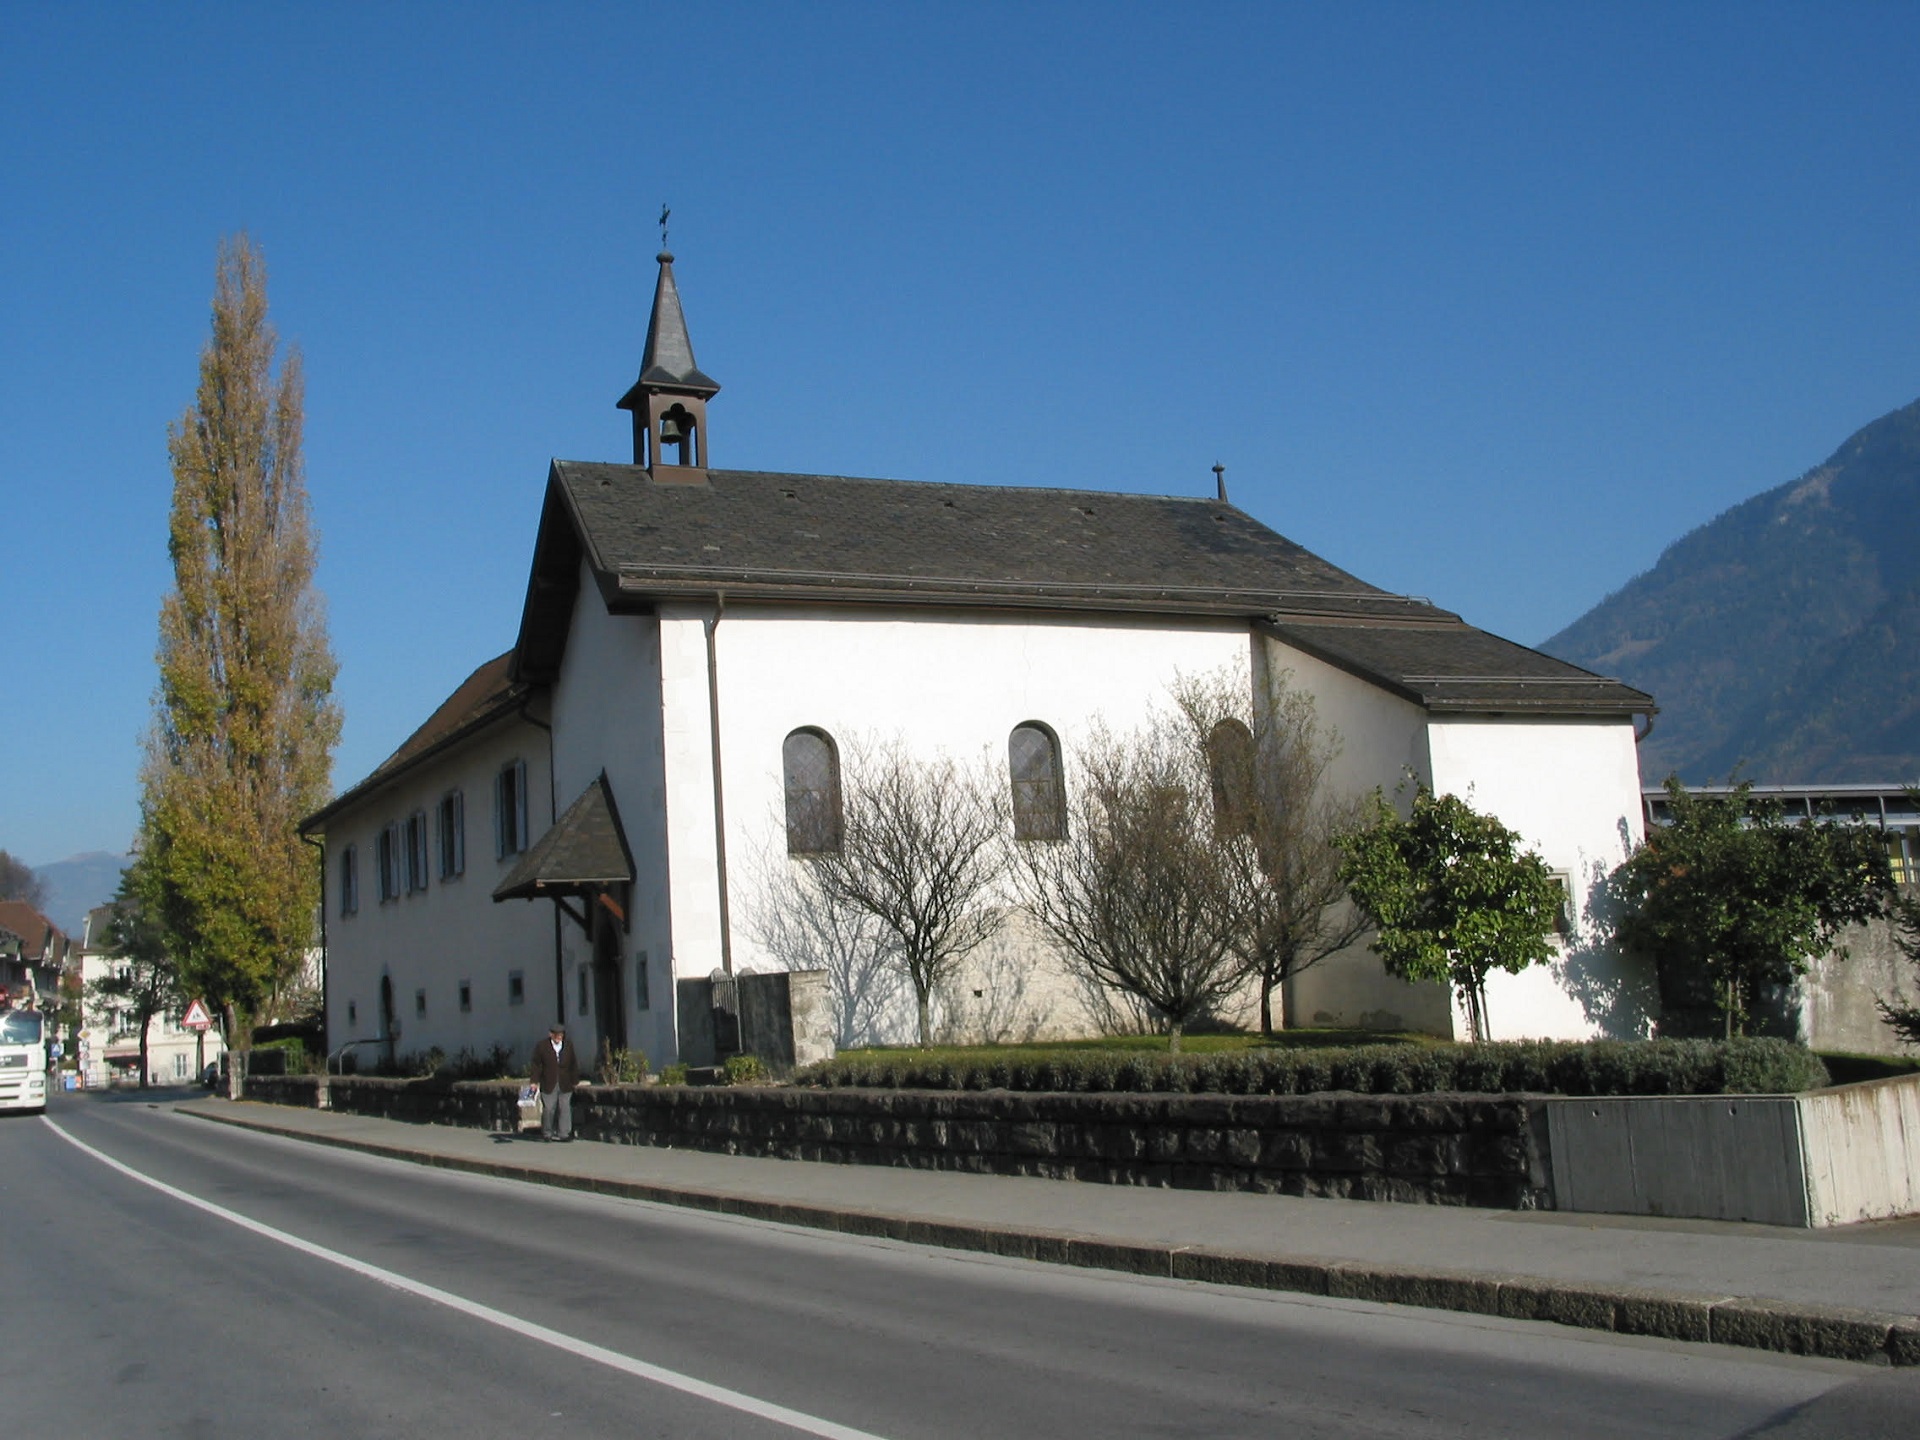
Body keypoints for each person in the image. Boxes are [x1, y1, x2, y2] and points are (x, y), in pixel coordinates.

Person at [528, 1021, 581, 1142]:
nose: (559, 1037)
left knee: (565, 1108)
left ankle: (564, 1133)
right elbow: (536, 1065)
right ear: (551, 1034)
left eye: (561, 1034)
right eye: (556, 1034)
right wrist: (534, 1081)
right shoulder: (542, 1046)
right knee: (549, 1109)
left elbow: (573, 1063)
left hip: (565, 1083)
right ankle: (547, 1133)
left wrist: (575, 1080)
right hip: (548, 1082)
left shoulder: (568, 1045)